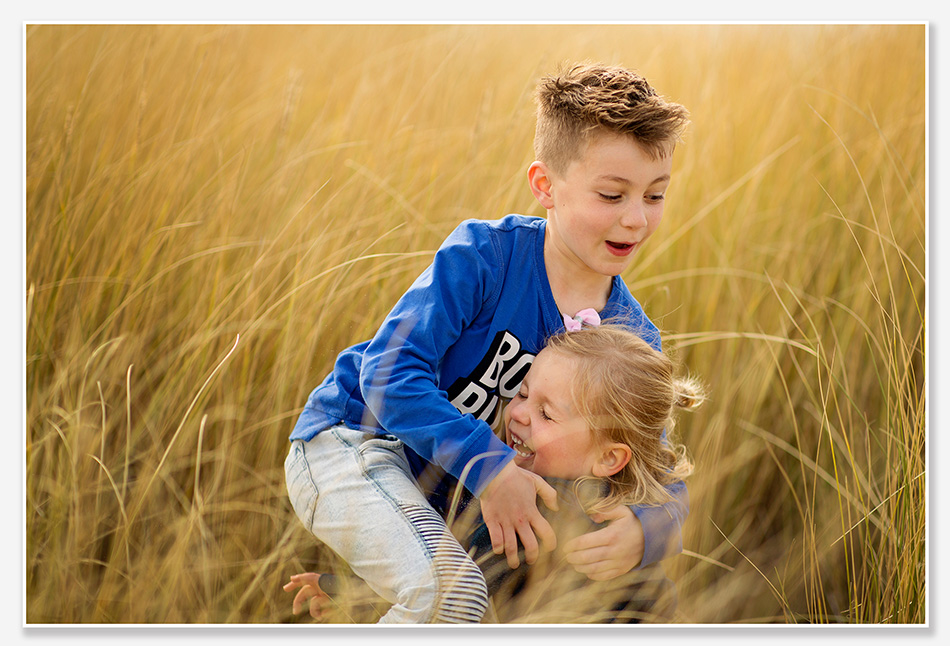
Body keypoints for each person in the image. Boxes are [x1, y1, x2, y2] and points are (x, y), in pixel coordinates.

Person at [283, 62, 692, 623]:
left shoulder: (630, 336)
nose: (635, 219)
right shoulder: (486, 259)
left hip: (454, 493)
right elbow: (386, 374)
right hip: (357, 444)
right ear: (545, 185)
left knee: (606, 584)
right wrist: (490, 466)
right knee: (455, 599)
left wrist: (648, 530)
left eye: (654, 195)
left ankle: (377, 597)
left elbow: (657, 466)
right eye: (611, 194)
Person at [286, 324, 703, 623]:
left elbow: (458, 597)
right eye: (522, 392)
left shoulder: (551, 511)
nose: (518, 413)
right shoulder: (613, 504)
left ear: (610, 458)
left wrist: (352, 595)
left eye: (546, 414)